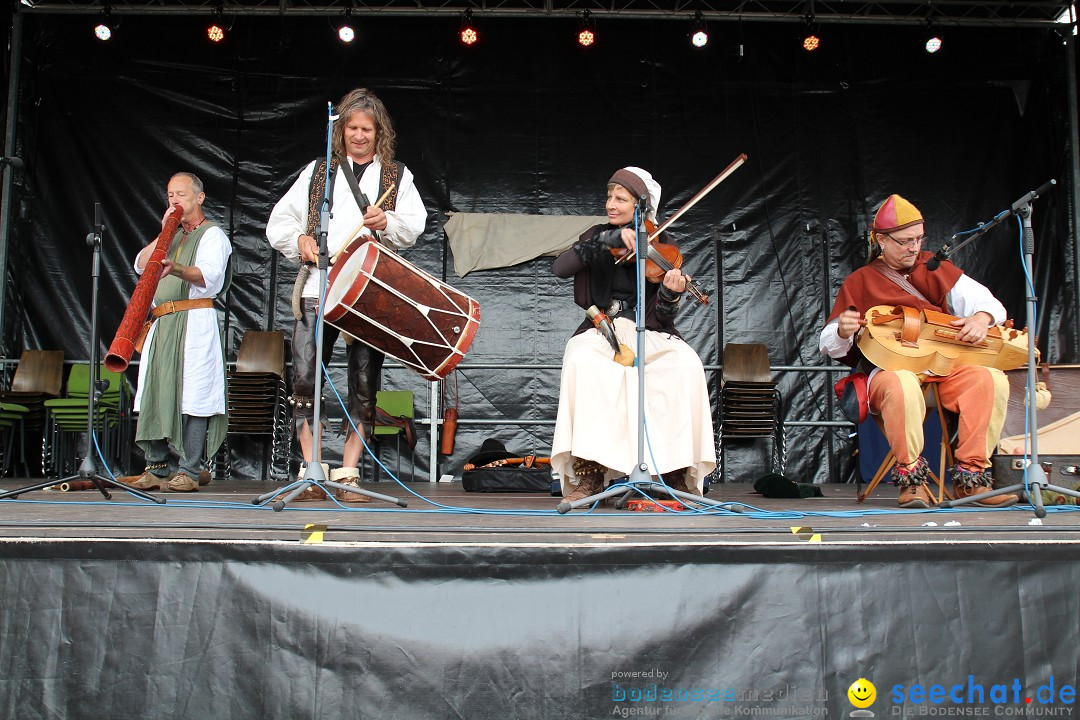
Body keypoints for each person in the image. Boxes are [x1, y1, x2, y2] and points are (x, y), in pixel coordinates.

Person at [266, 88, 426, 501]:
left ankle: (350, 470)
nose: (358, 135)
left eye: (366, 129)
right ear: (341, 131)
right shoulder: (319, 172)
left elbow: (415, 224)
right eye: (352, 128)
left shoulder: (396, 175)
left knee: (362, 381)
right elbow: (278, 222)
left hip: (367, 294)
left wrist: (386, 219)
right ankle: (311, 466)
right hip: (318, 288)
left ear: (379, 133)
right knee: (303, 378)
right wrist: (300, 239)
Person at [820, 194, 1016, 508]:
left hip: (942, 371)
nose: (914, 247)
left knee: (990, 379)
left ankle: (971, 477)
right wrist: (843, 329)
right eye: (905, 241)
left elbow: (991, 305)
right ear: (881, 240)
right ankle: (912, 481)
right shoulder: (860, 281)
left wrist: (982, 318)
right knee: (902, 383)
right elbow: (829, 342)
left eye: (919, 239)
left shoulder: (936, 268)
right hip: (889, 375)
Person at [550, 167, 717, 506]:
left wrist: (670, 296)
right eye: (610, 197)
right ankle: (591, 474)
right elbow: (560, 268)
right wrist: (605, 241)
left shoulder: (662, 243)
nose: (611, 204)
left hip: (649, 329)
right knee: (583, 361)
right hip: (602, 329)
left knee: (684, 364)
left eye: (621, 199)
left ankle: (673, 472)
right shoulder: (596, 234)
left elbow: (664, 316)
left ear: (641, 206)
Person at [124, 172, 232, 492]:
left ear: (199, 198)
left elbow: (209, 276)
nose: (174, 201)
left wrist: (179, 268)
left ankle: (189, 469)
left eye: (181, 195)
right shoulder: (169, 236)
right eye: (170, 195)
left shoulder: (213, 235)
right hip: (163, 323)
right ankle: (157, 468)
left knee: (195, 395)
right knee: (154, 391)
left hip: (194, 320)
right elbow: (141, 265)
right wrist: (163, 232)